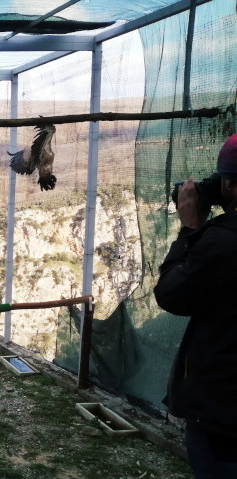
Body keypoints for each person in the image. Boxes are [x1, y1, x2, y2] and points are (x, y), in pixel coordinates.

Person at [154, 133, 237, 478]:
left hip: (223, 406)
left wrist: (190, 229)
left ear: (231, 184)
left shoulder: (223, 240)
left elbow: (172, 295)